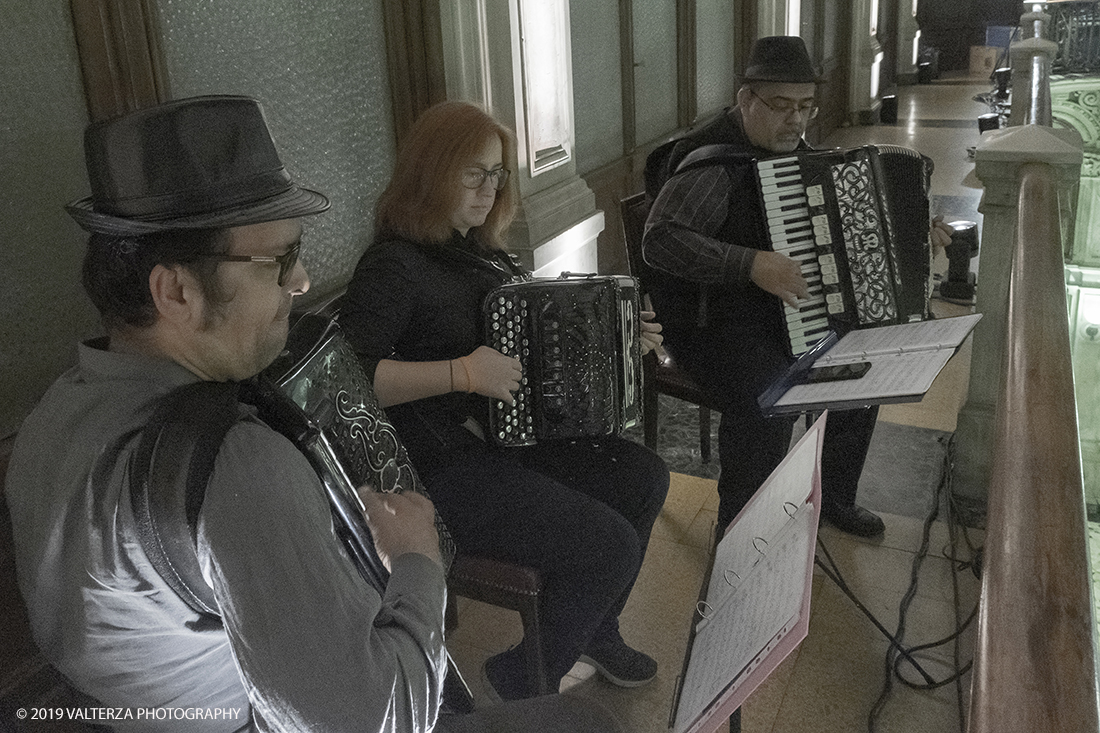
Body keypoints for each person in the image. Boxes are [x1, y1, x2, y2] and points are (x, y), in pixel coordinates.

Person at [5, 95, 622, 732]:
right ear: (176, 291)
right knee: (587, 724)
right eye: (278, 260)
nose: (301, 281)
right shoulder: (238, 465)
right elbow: (376, 721)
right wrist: (417, 563)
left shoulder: (52, 414)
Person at [338, 100, 670, 702]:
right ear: (430, 171)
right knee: (608, 546)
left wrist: (622, 341)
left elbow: (527, 353)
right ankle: (522, 676)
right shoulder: (392, 265)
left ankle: (596, 630)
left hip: (501, 442)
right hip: (433, 471)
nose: (489, 188)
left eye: (497, 174)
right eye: (474, 172)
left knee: (643, 475)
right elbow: (351, 377)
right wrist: (462, 373)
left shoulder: (479, 253)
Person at [642, 36, 954, 538]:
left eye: (806, 107)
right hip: (709, 321)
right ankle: (741, 529)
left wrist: (914, 232)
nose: (796, 120)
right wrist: (750, 264)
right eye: (782, 106)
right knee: (770, 395)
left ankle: (833, 497)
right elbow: (660, 241)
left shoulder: (800, 155)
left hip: (779, 310)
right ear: (746, 100)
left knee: (859, 367)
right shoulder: (713, 164)